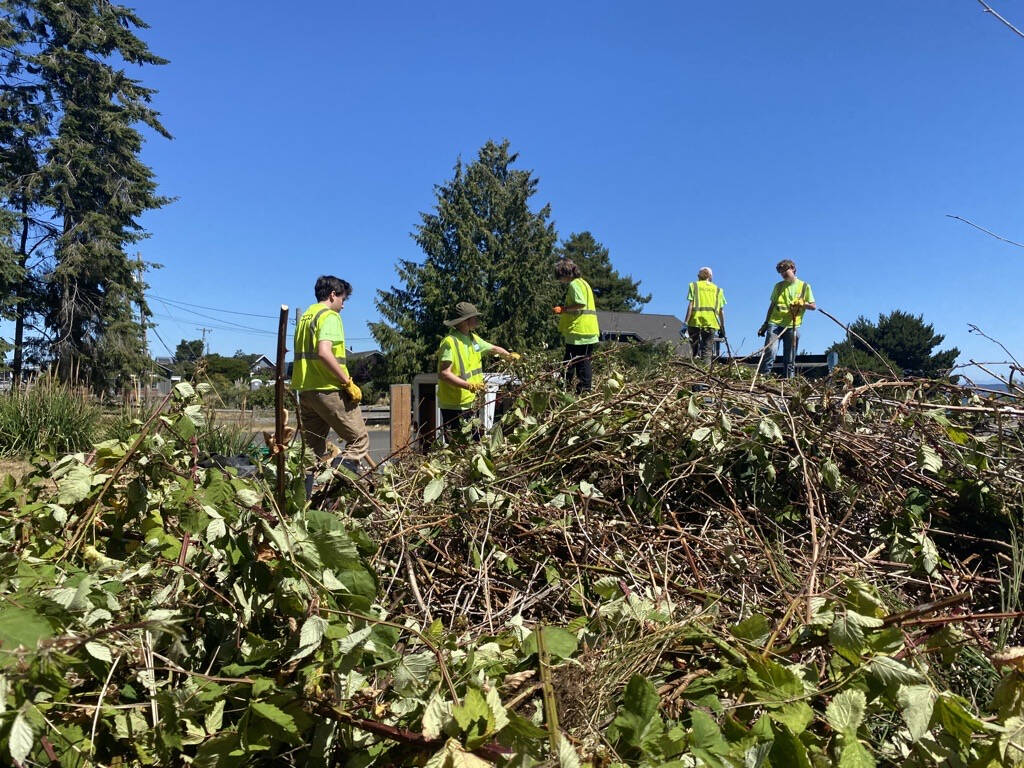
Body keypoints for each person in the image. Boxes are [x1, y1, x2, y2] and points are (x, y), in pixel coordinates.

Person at [291, 275, 369, 476]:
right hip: (329, 390)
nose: (343, 306)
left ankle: (309, 495)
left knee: (311, 451)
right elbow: (324, 352)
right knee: (359, 440)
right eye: (343, 300)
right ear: (333, 295)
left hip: (306, 392)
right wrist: (347, 382)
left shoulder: (306, 317)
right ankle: (336, 483)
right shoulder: (330, 316)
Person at [436, 301, 519, 441]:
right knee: (459, 447)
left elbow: (493, 349)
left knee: (474, 443)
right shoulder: (449, 342)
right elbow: (444, 374)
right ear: (464, 321)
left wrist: (509, 356)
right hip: (454, 406)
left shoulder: (472, 338)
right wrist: (469, 386)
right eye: (474, 317)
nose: (477, 320)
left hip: (470, 402)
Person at [758, 259, 816, 379]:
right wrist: (765, 324)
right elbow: (772, 306)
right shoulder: (778, 287)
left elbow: (813, 306)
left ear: (793, 269)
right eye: (781, 272)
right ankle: (762, 378)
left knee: (790, 358)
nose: (783, 274)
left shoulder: (804, 287)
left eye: (785, 270)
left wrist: (802, 303)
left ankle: (789, 381)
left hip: (792, 325)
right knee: (770, 351)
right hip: (775, 323)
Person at [554, 259, 600, 393]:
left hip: (580, 330)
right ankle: (568, 389)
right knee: (572, 362)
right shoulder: (584, 283)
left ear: (565, 273)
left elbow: (580, 304)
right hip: (583, 330)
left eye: (559, 276)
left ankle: (580, 391)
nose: (559, 280)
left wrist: (563, 309)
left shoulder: (574, 284)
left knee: (578, 363)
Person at [684, 267, 726, 363]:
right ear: (711, 276)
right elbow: (721, 311)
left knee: (694, 350)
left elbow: (690, 305)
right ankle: (705, 374)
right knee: (707, 352)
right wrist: (722, 327)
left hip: (694, 321)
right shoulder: (718, 290)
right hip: (711, 323)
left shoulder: (693, 286)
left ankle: (695, 368)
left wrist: (685, 322)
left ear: (699, 276)